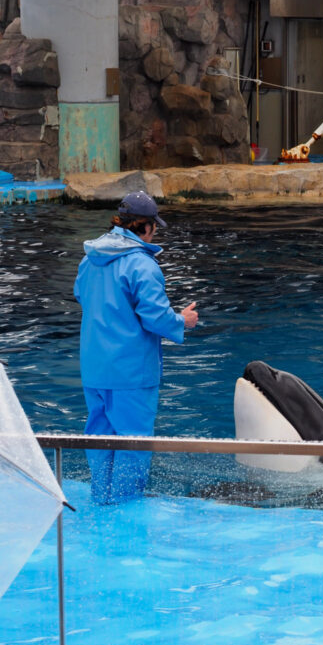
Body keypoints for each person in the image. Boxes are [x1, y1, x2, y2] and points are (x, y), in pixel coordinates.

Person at [74, 191, 198, 504]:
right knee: (133, 442)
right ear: (144, 227)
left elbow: (81, 295)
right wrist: (182, 320)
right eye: (153, 226)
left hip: (94, 369)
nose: (155, 231)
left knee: (100, 437)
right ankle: (126, 507)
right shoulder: (142, 265)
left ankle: (102, 497)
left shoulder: (90, 259)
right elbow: (155, 317)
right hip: (131, 373)